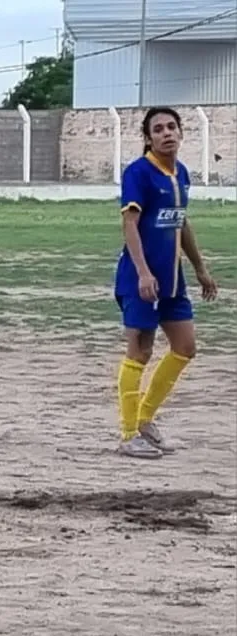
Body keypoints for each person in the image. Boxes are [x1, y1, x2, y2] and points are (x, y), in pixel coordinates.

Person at [114, 107, 218, 459]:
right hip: (140, 279)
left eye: (172, 127)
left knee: (185, 347)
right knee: (139, 353)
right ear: (148, 138)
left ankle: (145, 419)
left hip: (173, 281)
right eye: (157, 129)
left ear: (181, 133)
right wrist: (143, 273)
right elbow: (130, 225)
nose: (166, 133)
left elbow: (181, 223)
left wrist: (200, 268)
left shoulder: (181, 173)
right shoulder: (139, 173)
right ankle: (129, 435)